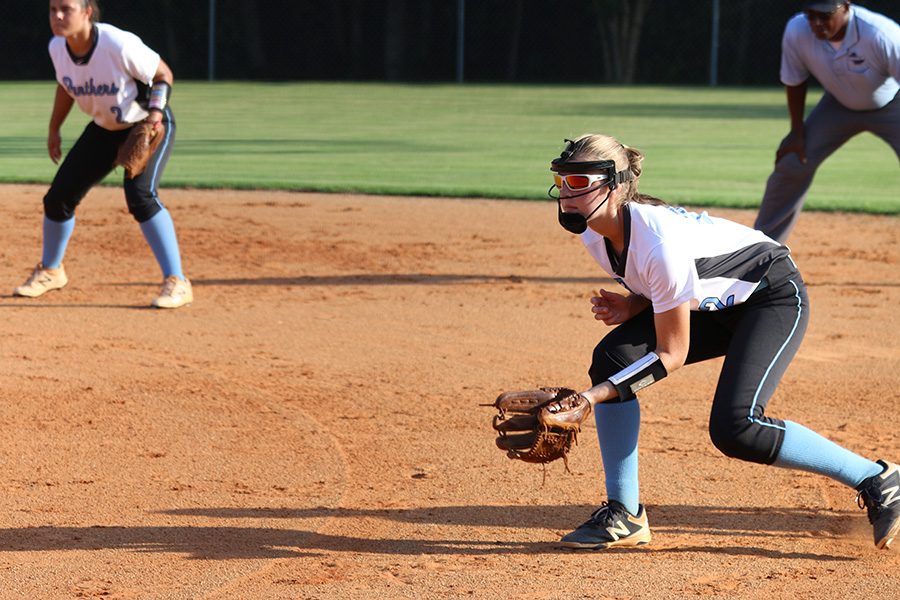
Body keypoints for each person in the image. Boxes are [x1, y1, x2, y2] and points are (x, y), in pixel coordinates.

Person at [547, 133, 899, 550]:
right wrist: (633, 304)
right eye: (562, 180)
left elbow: (670, 354)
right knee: (613, 357)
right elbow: (664, 280)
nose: (567, 194)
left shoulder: (659, 243)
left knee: (737, 427)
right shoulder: (593, 232)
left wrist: (591, 398)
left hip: (771, 296)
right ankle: (624, 515)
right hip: (716, 303)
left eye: (580, 182)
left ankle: (879, 478)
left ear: (617, 185)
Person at [14, 0, 192, 308]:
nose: (57, 16)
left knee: (140, 196)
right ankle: (51, 270)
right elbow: (65, 86)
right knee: (58, 197)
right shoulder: (58, 47)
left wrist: (155, 114)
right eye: (52, 9)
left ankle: (177, 281)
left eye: (65, 9)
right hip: (105, 128)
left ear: (86, 12)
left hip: (147, 124)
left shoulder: (116, 43)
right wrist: (54, 128)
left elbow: (163, 74)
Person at [754, 1, 900, 243]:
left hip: (892, 104)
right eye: (810, 15)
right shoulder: (797, 30)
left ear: (845, 6)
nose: (816, 23)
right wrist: (796, 131)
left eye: (824, 15)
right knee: (793, 160)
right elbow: (795, 81)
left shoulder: (882, 34)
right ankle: (763, 251)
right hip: (837, 105)